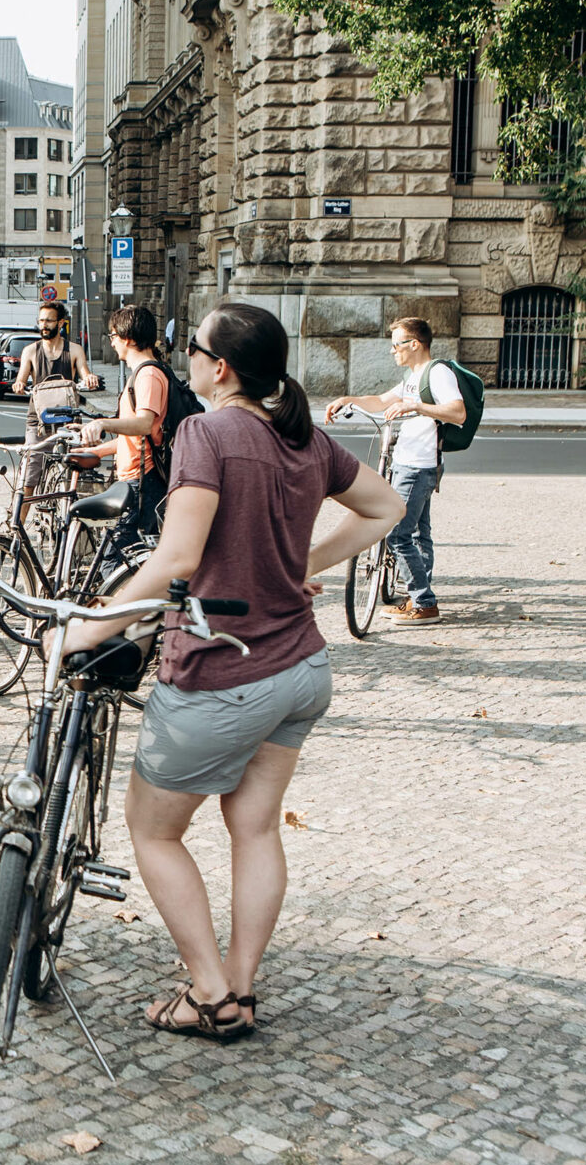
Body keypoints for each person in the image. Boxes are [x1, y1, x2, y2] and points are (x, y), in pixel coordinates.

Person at [63, 301, 401, 1042]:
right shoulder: (302, 437)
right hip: (301, 669)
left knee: (152, 831)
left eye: (194, 348)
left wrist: (91, 625)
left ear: (219, 367)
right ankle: (241, 989)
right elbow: (385, 505)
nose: (185, 356)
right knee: (253, 827)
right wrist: (300, 565)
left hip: (224, 673)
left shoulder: (206, 431)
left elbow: (178, 556)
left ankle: (211, 993)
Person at [323, 316, 465, 625]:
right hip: (406, 461)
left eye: (396, 344)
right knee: (418, 531)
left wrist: (416, 407)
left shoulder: (437, 373)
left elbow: (457, 412)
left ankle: (424, 602)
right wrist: (347, 400)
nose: (392, 351)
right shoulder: (414, 376)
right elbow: (381, 400)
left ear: (414, 344)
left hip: (419, 466)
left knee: (398, 533)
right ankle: (417, 591)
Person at [78, 304, 171, 559]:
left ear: (127, 338)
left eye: (113, 336)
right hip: (134, 478)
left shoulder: (149, 374)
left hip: (145, 482)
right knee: (121, 558)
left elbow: (143, 424)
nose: (112, 343)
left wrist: (103, 424)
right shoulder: (140, 374)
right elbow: (135, 438)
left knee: (114, 560)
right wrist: (95, 450)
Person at [12, 299, 102, 489]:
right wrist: (19, 384)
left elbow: (84, 373)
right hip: (38, 420)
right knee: (30, 473)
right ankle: (19, 519)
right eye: (41, 321)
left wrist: (89, 379)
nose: (44, 325)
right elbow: (21, 378)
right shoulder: (30, 351)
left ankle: (68, 513)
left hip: (67, 419)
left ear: (61, 323)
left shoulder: (75, 350)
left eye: (49, 321)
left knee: (74, 470)